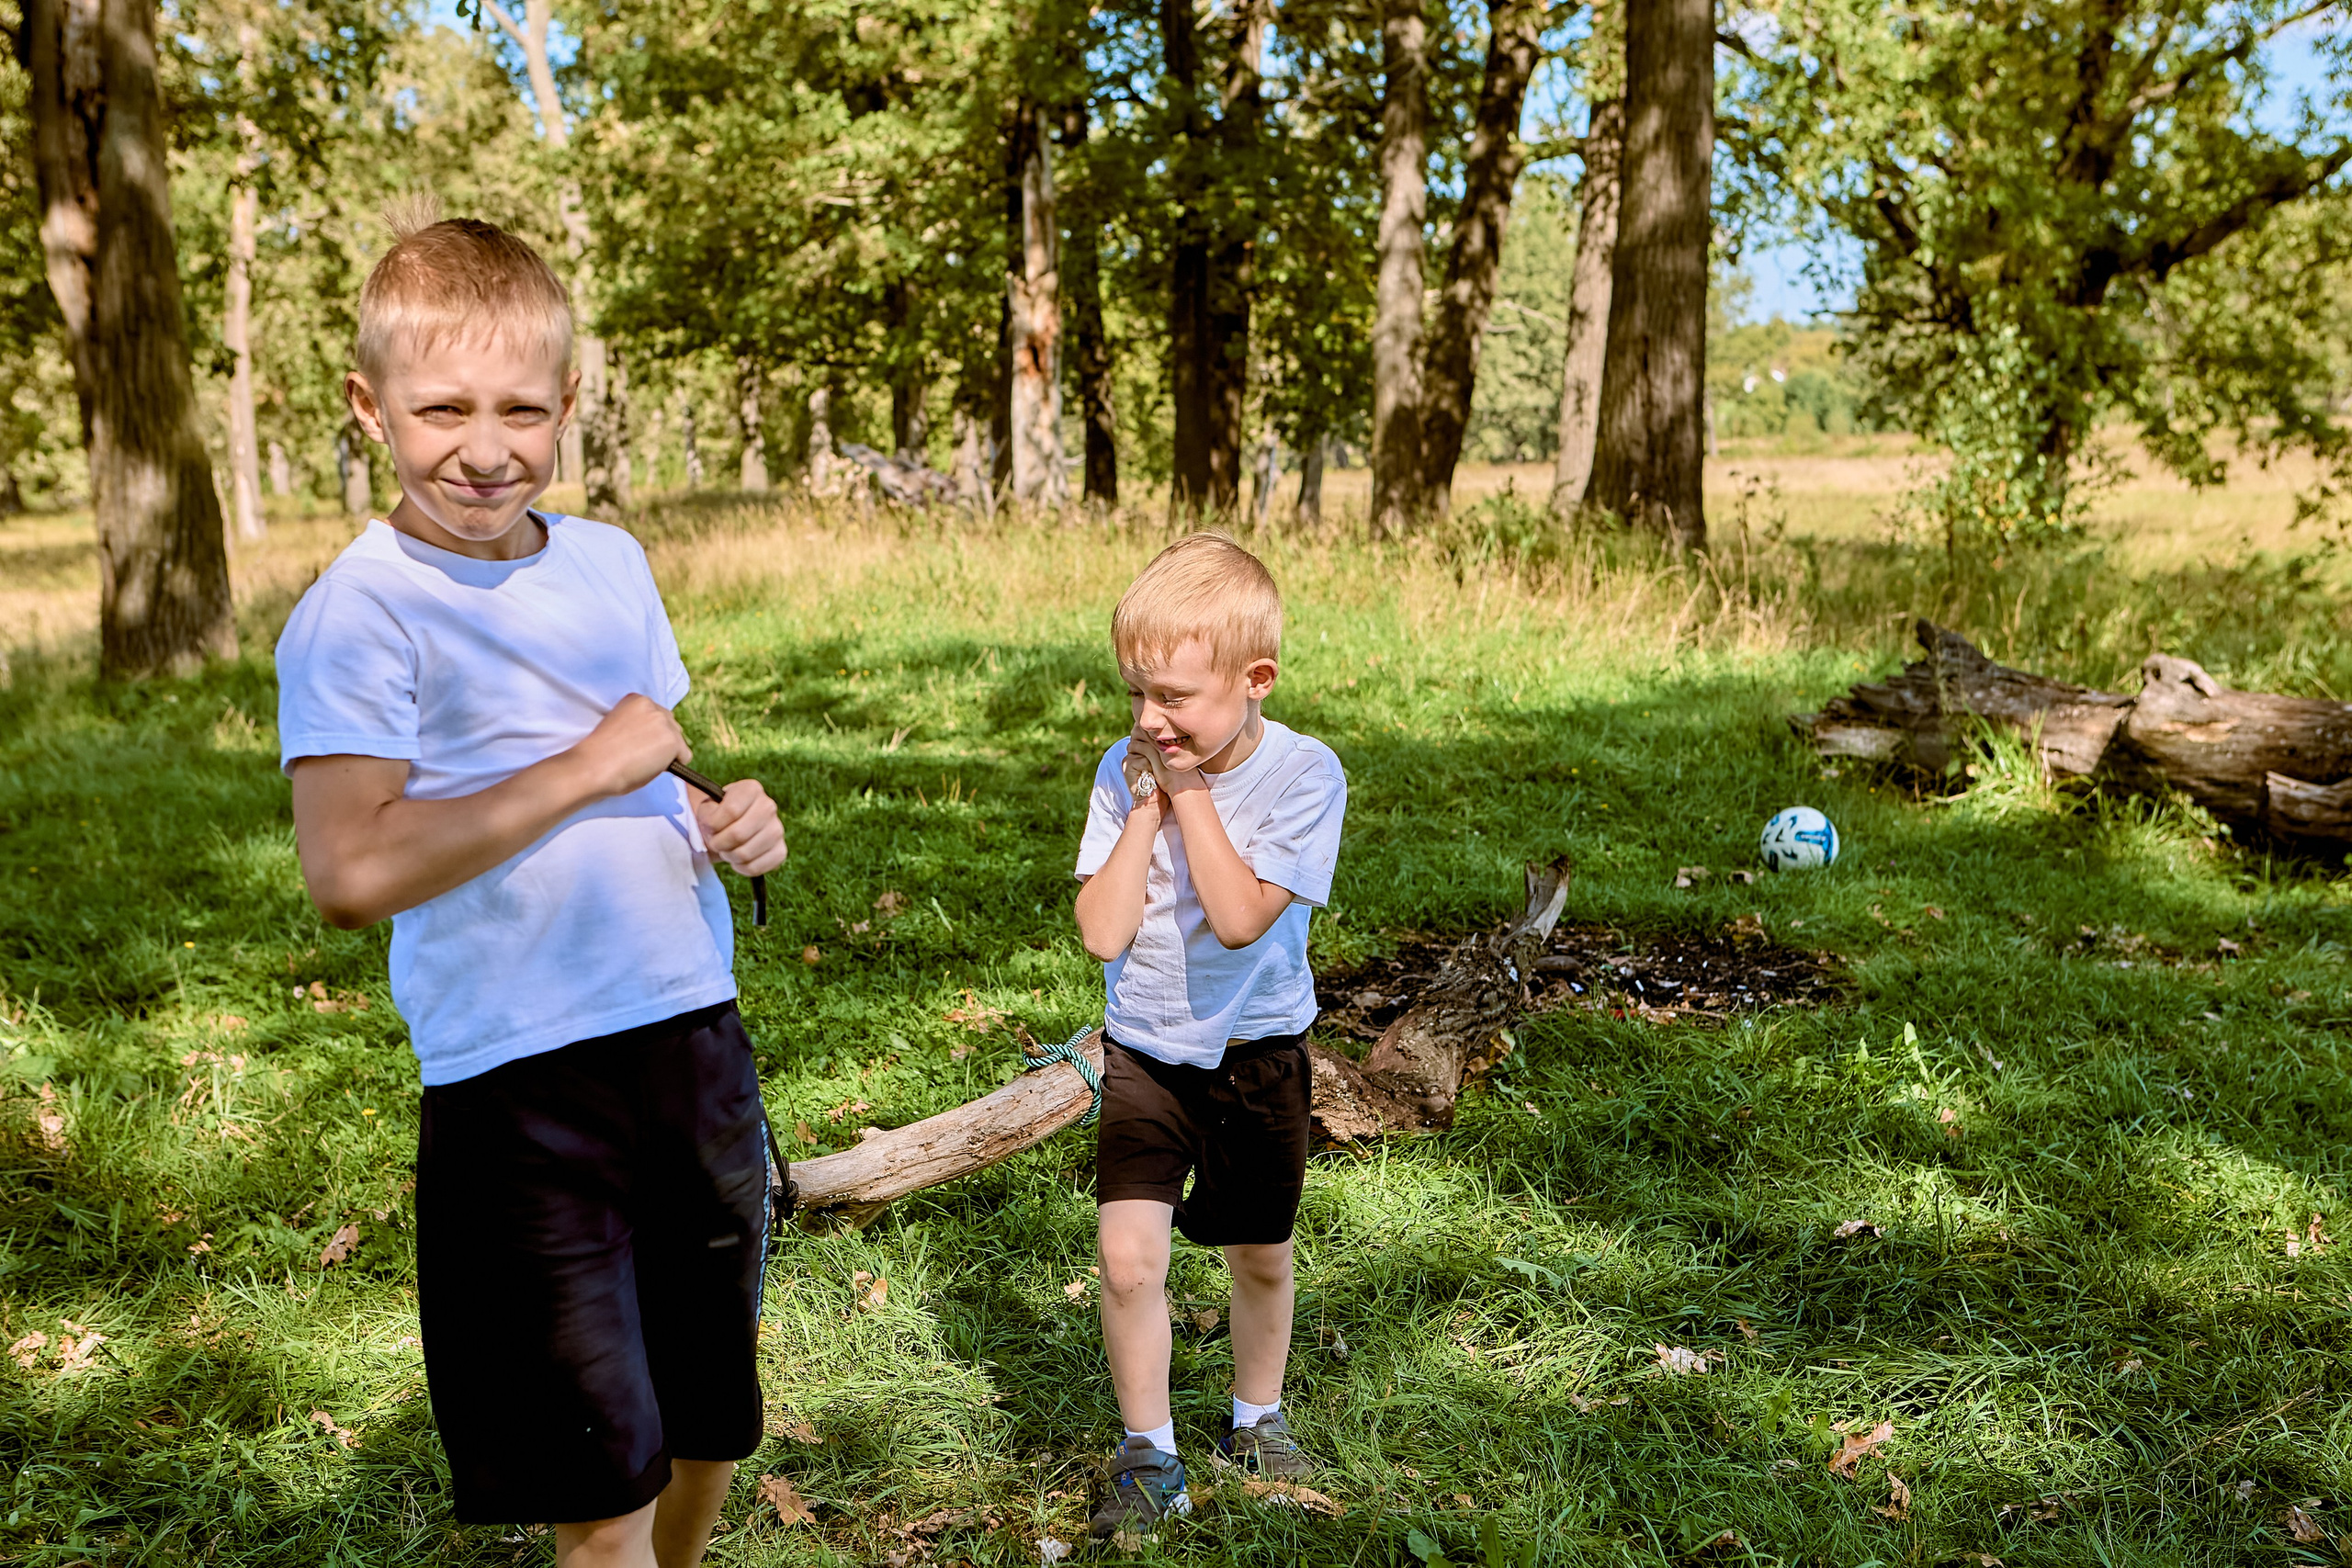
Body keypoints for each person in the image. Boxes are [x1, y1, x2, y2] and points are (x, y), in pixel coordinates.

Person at [275, 205, 788, 1568]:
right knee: (597, 1472)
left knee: (708, 1414)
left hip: (689, 1031)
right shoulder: (361, 611)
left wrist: (728, 816)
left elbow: (655, 771)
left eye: (521, 408)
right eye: (441, 407)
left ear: (570, 399)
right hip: (522, 1081)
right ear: (366, 405)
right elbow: (350, 867)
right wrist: (580, 767)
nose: (486, 448)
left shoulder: (612, 562)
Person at [1070, 533, 1349, 1540]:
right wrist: (1144, 806)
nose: (1149, 719)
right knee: (1128, 1262)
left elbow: (1237, 917)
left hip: (1258, 1055)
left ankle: (1255, 1420)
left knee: (1258, 1257)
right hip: (1145, 1052)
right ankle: (1149, 1452)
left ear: (1255, 680)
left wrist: (1185, 792)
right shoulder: (1125, 768)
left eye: (1175, 698)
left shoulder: (1306, 776)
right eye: (1136, 694)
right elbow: (1100, 929)